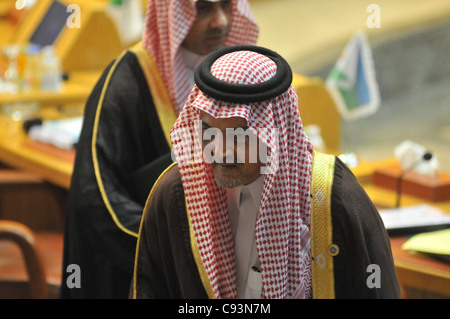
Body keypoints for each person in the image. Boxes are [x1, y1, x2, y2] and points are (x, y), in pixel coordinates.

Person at [131, 45, 402, 299]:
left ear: (275, 132)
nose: (219, 151)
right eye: (208, 132)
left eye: (238, 135)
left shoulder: (333, 201)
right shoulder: (175, 196)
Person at [61, 0, 259, 299]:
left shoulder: (233, 80)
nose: (220, 21)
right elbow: (96, 202)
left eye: (227, 6)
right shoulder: (123, 86)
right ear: (171, 15)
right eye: (203, 8)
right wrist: (179, 248)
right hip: (135, 276)